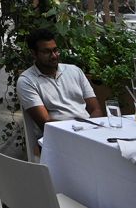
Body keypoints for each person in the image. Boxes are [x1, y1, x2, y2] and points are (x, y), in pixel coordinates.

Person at [16, 28, 103, 161]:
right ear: (34, 54)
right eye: (46, 52)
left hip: (89, 134)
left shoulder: (74, 71)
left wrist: (89, 132)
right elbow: (47, 124)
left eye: (55, 50)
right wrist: (81, 133)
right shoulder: (27, 81)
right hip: (58, 142)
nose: (54, 55)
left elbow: (96, 109)